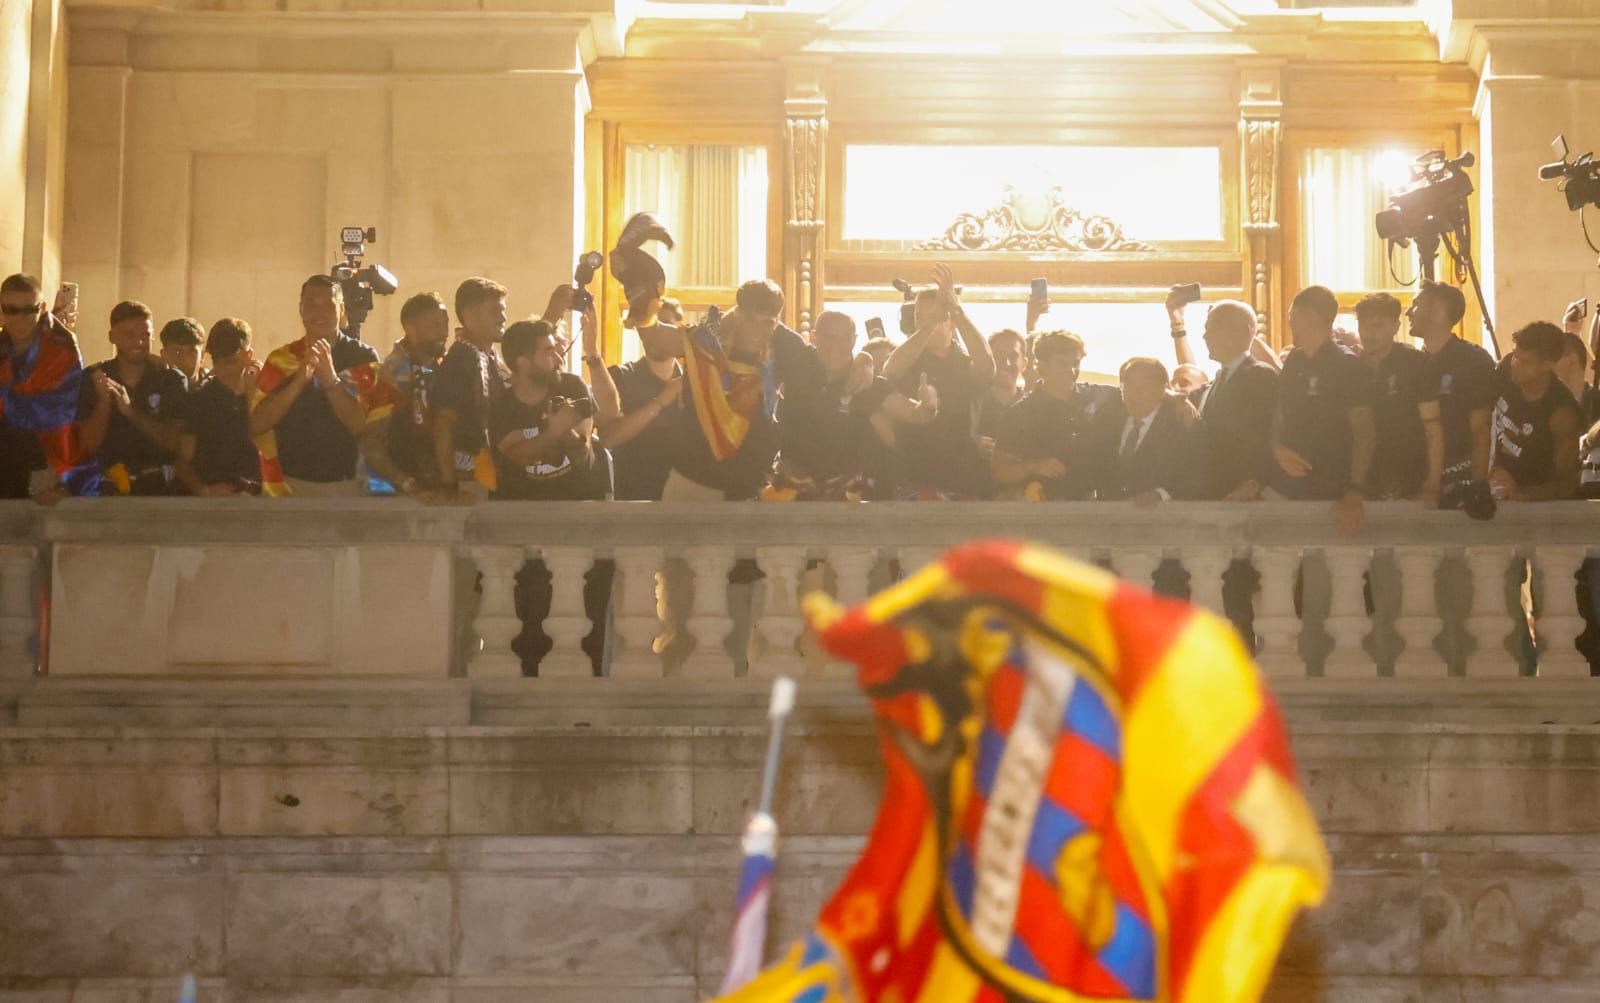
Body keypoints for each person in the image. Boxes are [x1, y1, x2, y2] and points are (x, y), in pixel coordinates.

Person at [767, 310, 936, 500]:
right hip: (789, 491)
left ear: (854, 340)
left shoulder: (866, 383)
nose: (836, 345)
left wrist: (928, 404)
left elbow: (915, 414)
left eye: (844, 338)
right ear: (815, 337)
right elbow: (764, 315)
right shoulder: (798, 361)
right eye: (829, 337)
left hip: (844, 497)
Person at [249, 276, 382, 496]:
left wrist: (331, 381)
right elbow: (256, 425)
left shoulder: (362, 356)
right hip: (290, 486)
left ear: (341, 310)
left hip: (348, 486)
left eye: (328, 305)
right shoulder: (282, 359)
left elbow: (365, 427)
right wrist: (298, 381)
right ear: (300, 310)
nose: (319, 313)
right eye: (311, 304)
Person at [1266, 285, 1375, 534]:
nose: (1289, 323)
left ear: (1310, 316)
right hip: (1290, 484)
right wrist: (1276, 447)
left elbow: (1364, 432)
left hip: (1333, 488)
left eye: (1292, 316)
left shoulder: (1348, 365)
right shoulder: (1294, 361)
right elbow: (1278, 413)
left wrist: (1355, 489)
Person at [881, 264, 995, 499]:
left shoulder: (966, 363)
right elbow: (889, 371)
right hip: (915, 482)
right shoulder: (908, 361)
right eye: (919, 317)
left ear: (951, 321)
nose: (926, 322)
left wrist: (956, 310)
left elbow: (987, 365)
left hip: (964, 481)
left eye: (936, 315)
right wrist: (932, 323)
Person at [1169, 296, 1279, 500]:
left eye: (1214, 328)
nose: (1205, 336)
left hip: (1243, 496)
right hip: (1212, 492)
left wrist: (1256, 480)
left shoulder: (1259, 375)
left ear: (1244, 331)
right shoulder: (1213, 385)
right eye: (1206, 329)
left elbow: (1264, 434)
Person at [78, 300, 189, 495]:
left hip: (160, 491)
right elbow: (85, 447)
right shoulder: (94, 377)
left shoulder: (170, 379)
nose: (139, 342)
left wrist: (131, 412)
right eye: (130, 334)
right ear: (112, 337)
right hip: (107, 490)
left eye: (145, 335)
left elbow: (175, 442)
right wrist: (104, 404)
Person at [992, 330, 1116, 500]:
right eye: (1063, 363)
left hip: (1093, 507)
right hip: (1041, 508)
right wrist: (1032, 466)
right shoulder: (1019, 413)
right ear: (1041, 365)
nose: (1072, 370)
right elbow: (999, 470)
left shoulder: (1098, 397)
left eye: (1076, 363)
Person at [1410, 280, 1498, 511]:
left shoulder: (1473, 361)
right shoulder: (1411, 362)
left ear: (1439, 311)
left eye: (1417, 304)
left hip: (1459, 481)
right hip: (1416, 481)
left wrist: (1477, 484)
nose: (1409, 312)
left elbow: (1481, 428)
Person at [489, 317, 600, 501]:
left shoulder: (572, 387)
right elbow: (516, 458)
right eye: (549, 352)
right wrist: (554, 432)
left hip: (576, 508)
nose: (559, 359)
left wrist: (566, 432)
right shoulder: (501, 408)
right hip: (521, 511)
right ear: (523, 362)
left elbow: (582, 455)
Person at [0, 273, 86, 501]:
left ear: (42, 308)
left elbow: (54, 414)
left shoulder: (62, 348)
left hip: (49, 457)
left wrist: (6, 399)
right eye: (11, 310)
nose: (20, 319)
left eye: (29, 310)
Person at [361, 291, 451, 497]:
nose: (444, 331)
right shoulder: (396, 372)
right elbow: (370, 442)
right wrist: (407, 483)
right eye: (434, 324)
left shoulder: (440, 364)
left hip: (434, 486)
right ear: (411, 328)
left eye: (445, 323)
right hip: (399, 493)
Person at [432, 277, 510, 501]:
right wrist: (449, 483)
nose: (503, 317)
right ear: (470, 316)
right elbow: (444, 421)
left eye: (503, 310)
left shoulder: (490, 355)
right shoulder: (462, 359)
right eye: (495, 311)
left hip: (489, 476)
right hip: (469, 480)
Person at [1355, 292, 1438, 502]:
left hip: (1410, 479)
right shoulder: (1352, 367)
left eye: (1378, 326)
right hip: (1365, 482)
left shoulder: (1414, 363)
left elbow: (1433, 428)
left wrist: (1433, 484)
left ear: (1395, 327)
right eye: (1363, 325)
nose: (1369, 333)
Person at [1489, 321, 1582, 502]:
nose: (1515, 364)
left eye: (1525, 362)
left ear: (1547, 365)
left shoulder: (1561, 413)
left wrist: (1521, 494)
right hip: (1495, 487)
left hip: (1535, 506)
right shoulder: (1505, 370)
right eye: (1515, 355)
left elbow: (1567, 482)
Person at [1091, 357, 1204, 504]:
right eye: (1128, 384)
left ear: (1162, 389)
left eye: (1143, 385)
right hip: (1108, 514)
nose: (1134, 392)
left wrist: (1161, 494)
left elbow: (1196, 473)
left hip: (1160, 515)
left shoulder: (1180, 425)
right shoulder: (1108, 419)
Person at [175, 318, 262, 496]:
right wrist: (204, 490)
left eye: (230, 361)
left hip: (258, 496)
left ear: (248, 356)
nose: (222, 369)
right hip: (214, 497)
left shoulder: (266, 398)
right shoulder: (199, 401)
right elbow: (182, 462)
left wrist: (253, 393)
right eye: (216, 360)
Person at [976, 327, 1028, 452]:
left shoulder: (1034, 409)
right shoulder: (970, 404)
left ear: (1024, 364)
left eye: (1013, 356)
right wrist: (971, 443)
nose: (1006, 363)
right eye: (998, 356)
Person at [158, 317, 207, 385]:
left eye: (192, 352)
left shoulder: (215, 389)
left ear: (202, 355)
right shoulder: (152, 387)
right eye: (177, 352)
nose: (185, 360)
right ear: (163, 355)